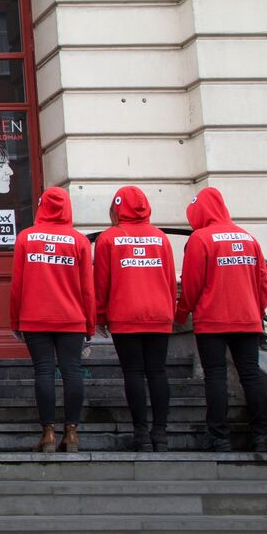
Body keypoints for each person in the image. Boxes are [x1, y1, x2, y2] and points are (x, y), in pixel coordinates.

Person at [177, 187, 267, 453]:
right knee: (251, 376)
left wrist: (182, 311)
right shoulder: (248, 238)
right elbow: (263, 283)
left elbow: (192, 284)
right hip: (248, 319)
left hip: (213, 321)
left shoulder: (201, 239)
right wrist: (256, 308)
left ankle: (219, 438)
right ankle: (262, 435)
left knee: (215, 377)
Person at [11, 186, 95, 453]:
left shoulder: (26, 238)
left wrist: (16, 321)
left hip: (35, 317)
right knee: (72, 372)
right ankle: (71, 433)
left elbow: (18, 285)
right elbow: (87, 288)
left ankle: (47, 433)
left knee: (43, 372)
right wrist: (90, 323)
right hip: (71, 318)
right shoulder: (79, 240)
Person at [94, 186, 175, 452]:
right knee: (158, 372)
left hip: (125, 314)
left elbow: (102, 282)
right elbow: (170, 278)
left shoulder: (109, 238)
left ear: (117, 208)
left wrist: (100, 315)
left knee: (133, 373)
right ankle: (160, 435)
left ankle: (141, 435)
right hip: (159, 314)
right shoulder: (161, 238)